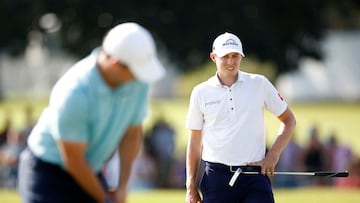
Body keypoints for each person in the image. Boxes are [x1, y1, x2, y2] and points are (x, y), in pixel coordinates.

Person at [17, 22, 165, 203]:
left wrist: (122, 186)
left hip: (90, 167)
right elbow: (73, 159)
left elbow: (132, 133)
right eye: (135, 71)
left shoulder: (138, 82)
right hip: (48, 172)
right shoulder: (75, 92)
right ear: (115, 63)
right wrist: (105, 200)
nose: (139, 77)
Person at [185, 32, 296, 203]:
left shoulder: (259, 84)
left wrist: (273, 154)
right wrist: (190, 185)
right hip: (216, 178)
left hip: (254, 177)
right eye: (225, 56)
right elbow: (194, 143)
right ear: (214, 57)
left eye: (235, 56)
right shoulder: (200, 92)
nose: (231, 61)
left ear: (241, 56)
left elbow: (289, 120)